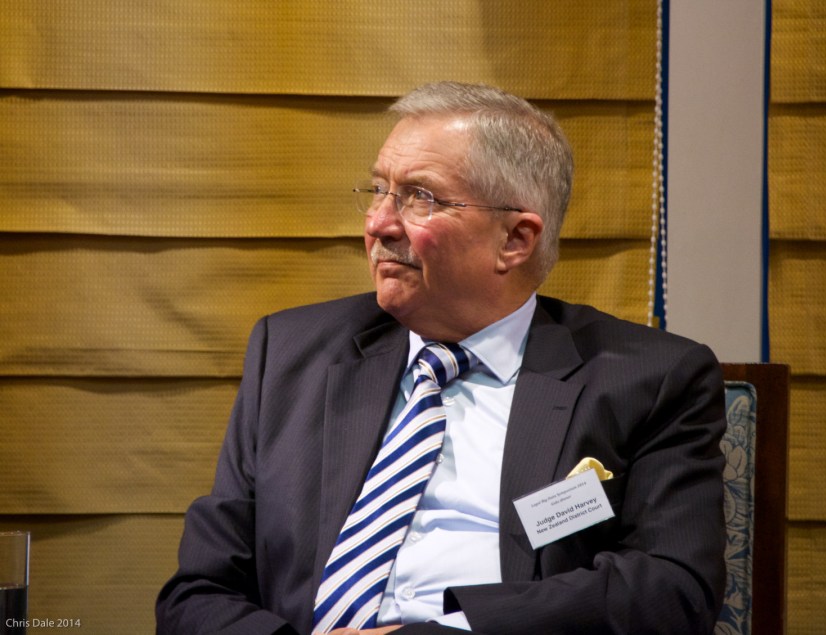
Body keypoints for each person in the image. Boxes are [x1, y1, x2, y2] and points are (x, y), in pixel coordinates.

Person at [156, 81, 726, 635]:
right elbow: (199, 593)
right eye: (378, 190)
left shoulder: (648, 380)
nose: (378, 223)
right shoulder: (290, 352)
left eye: (419, 198)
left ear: (515, 240)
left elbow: (671, 590)